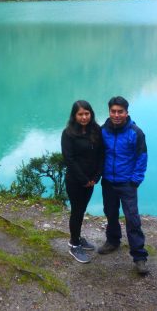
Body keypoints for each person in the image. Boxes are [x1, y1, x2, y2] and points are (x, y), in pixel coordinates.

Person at [98, 96, 149, 275]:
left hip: (127, 183)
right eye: (113, 111)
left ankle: (139, 256)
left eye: (120, 111)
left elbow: (142, 157)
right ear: (109, 112)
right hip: (108, 182)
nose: (117, 115)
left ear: (127, 112)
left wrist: (135, 179)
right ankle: (113, 241)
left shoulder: (135, 132)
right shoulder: (103, 131)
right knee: (110, 213)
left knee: (132, 218)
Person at [61, 100, 105, 263]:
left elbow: (101, 154)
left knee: (82, 209)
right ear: (74, 116)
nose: (84, 117)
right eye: (80, 114)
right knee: (77, 211)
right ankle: (73, 244)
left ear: (91, 114)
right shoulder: (68, 133)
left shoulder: (96, 130)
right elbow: (69, 159)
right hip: (75, 180)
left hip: (91, 181)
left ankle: (77, 237)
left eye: (87, 113)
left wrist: (96, 177)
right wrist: (84, 179)